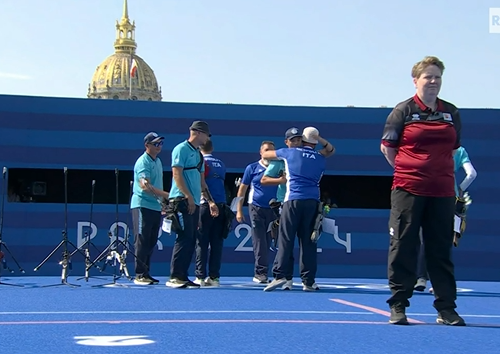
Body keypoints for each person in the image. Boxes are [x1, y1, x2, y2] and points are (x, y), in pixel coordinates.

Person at [380, 55, 465, 326]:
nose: (433, 81)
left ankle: (446, 309)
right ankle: (398, 305)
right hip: (408, 189)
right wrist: (411, 170)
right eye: (428, 76)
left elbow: (453, 149)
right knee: (403, 245)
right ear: (416, 80)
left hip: (442, 192)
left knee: (440, 250)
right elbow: (388, 148)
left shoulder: (451, 112)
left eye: (437, 77)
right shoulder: (402, 111)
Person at [262, 127, 335, 292]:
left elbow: (266, 155)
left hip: (293, 200)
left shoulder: (290, 153)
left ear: (302, 140)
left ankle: (280, 275)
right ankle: (308, 281)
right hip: (312, 202)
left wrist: (280, 153)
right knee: (308, 242)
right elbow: (331, 149)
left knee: (286, 239)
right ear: (315, 142)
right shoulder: (320, 156)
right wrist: (319, 138)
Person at [415, 146, 477, 292]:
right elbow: (472, 174)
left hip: (425, 193)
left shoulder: (427, 146)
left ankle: (421, 278)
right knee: (443, 241)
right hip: (449, 197)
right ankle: (439, 283)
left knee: (425, 239)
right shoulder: (460, 150)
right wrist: (460, 190)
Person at [166, 121, 219, 289]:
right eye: (206, 134)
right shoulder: (181, 149)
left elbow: (202, 182)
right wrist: (188, 196)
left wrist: (210, 202)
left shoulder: (198, 155)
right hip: (181, 201)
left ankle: (182, 275)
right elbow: (176, 174)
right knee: (183, 238)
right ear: (197, 132)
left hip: (195, 202)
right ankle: (175, 276)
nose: (207, 138)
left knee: (191, 239)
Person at [260, 127, 303, 290]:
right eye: (293, 140)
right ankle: (286, 277)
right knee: (286, 241)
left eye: (299, 139)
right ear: (286, 142)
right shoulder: (280, 159)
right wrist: (282, 180)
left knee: (305, 241)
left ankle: (306, 279)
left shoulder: (305, 157)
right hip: (284, 203)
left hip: (302, 202)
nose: (296, 142)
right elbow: (264, 180)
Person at [235, 141, 279, 284]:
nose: (269, 153)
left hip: (274, 209)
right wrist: (239, 210)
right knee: (260, 241)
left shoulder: (279, 167)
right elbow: (242, 189)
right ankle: (260, 273)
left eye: (271, 150)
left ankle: (277, 272)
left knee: (270, 241)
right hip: (256, 208)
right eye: (266, 150)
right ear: (261, 152)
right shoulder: (252, 168)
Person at [130, 132, 170, 285]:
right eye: (156, 144)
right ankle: (139, 274)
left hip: (154, 206)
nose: (159, 146)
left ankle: (146, 272)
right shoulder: (143, 162)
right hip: (142, 205)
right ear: (147, 146)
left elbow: (156, 185)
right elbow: (144, 186)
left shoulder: (158, 162)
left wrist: (162, 202)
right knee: (142, 240)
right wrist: (167, 195)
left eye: (160, 143)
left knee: (152, 240)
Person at [194, 139, 228, 287]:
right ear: (212, 148)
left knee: (202, 242)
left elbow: (200, 183)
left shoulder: (201, 162)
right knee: (217, 242)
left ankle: (200, 276)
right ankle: (214, 277)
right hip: (221, 205)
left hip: (205, 204)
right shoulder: (221, 164)